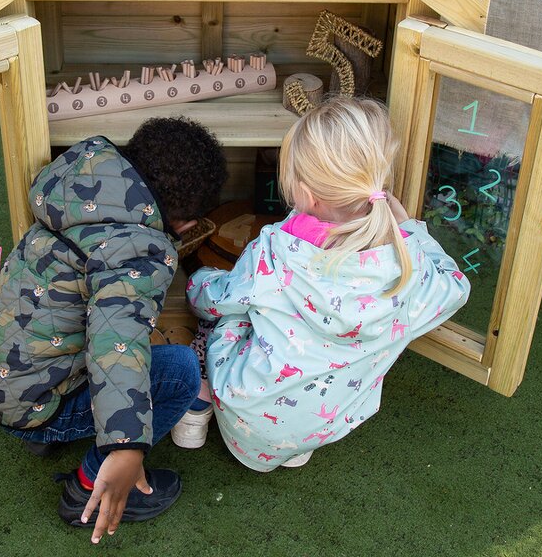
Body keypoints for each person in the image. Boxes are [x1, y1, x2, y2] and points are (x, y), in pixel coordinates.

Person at [175, 96, 470, 470]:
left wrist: (198, 281)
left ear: (307, 195)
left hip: (247, 417)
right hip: (324, 425)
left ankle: (198, 400)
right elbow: (456, 286)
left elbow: (216, 300)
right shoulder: (408, 271)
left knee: (234, 312)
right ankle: (292, 446)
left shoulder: (275, 250)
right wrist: (410, 230)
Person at [0, 116, 228, 542]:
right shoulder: (141, 255)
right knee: (180, 369)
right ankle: (86, 487)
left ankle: (43, 431)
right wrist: (125, 449)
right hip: (32, 401)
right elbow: (118, 347)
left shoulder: (74, 191)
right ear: (184, 223)